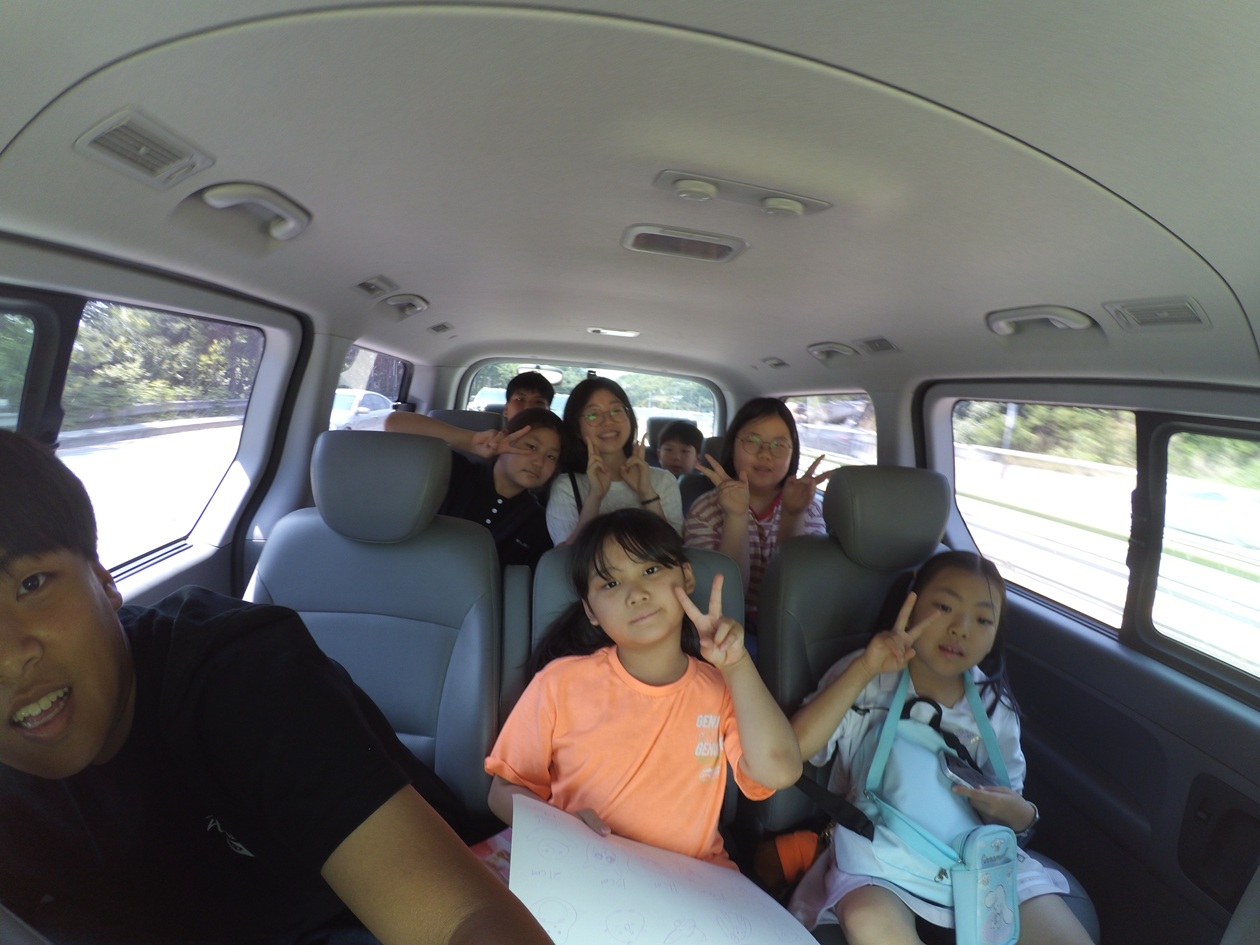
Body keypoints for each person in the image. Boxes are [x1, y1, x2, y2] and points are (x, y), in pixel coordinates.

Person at [0, 430, 551, 945]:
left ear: (104, 580)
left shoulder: (240, 675)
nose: (7, 657)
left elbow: (457, 919)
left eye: (32, 584)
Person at [787, 551, 1093, 945]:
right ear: (911, 605)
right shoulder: (866, 677)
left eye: (983, 620)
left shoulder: (993, 707)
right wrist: (865, 669)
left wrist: (1020, 814)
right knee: (869, 918)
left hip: (976, 854)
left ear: (994, 637)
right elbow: (794, 750)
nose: (961, 629)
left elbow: (1009, 799)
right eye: (945, 607)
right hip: (881, 852)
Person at [485, 509, 801, 868]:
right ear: (590, 611)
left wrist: (737, 664)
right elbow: (502, 791)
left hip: (689, 877)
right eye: (611, 584)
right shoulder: (559, 684)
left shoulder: (723, 687)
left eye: (651, 570)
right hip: (580, 868)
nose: (636, 594)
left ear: (686, 577)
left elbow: (780, 770)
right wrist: (562, 827)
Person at [683, 397, 831, 631]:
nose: (765, 454)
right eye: (752, 441)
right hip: (723, 628)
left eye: (779, 445)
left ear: (792, 452)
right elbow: (723, 597)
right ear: (732, 446)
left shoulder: (809, 508)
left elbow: (797, 592)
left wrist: (793, 515)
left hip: (789, 626)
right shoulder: (705, 510)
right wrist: (736, 516)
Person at [383, 406, 564, 569]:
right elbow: (394, 423)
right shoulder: (453, 471)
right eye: (531, 446)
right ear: (505, 437)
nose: (539, 462)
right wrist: (470, 441)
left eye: (551, 457)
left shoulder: (540, 523)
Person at [545, 377, 683, 543]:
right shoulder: (567, 486)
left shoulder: (664, 481)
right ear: (577, 429)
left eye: (616, 410)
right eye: (593, 414)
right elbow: (563, 556)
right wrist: (595, 497)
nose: (607, 421)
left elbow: (675, 551)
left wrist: (646, 493)